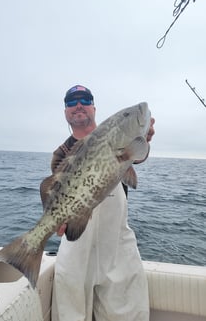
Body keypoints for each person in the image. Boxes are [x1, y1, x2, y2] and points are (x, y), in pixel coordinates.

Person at [51, 85, 155, 321]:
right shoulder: (61, 154)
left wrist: (143, 138)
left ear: (93, 108)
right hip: (77, 244)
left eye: (84, 100)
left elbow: (138, 156)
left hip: (116, 244)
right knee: (72, 313)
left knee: (126, 312)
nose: (78, 105)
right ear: (66, 112)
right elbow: (59, 196)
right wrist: (59, 222)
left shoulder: (118, 136)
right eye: (71, 102)